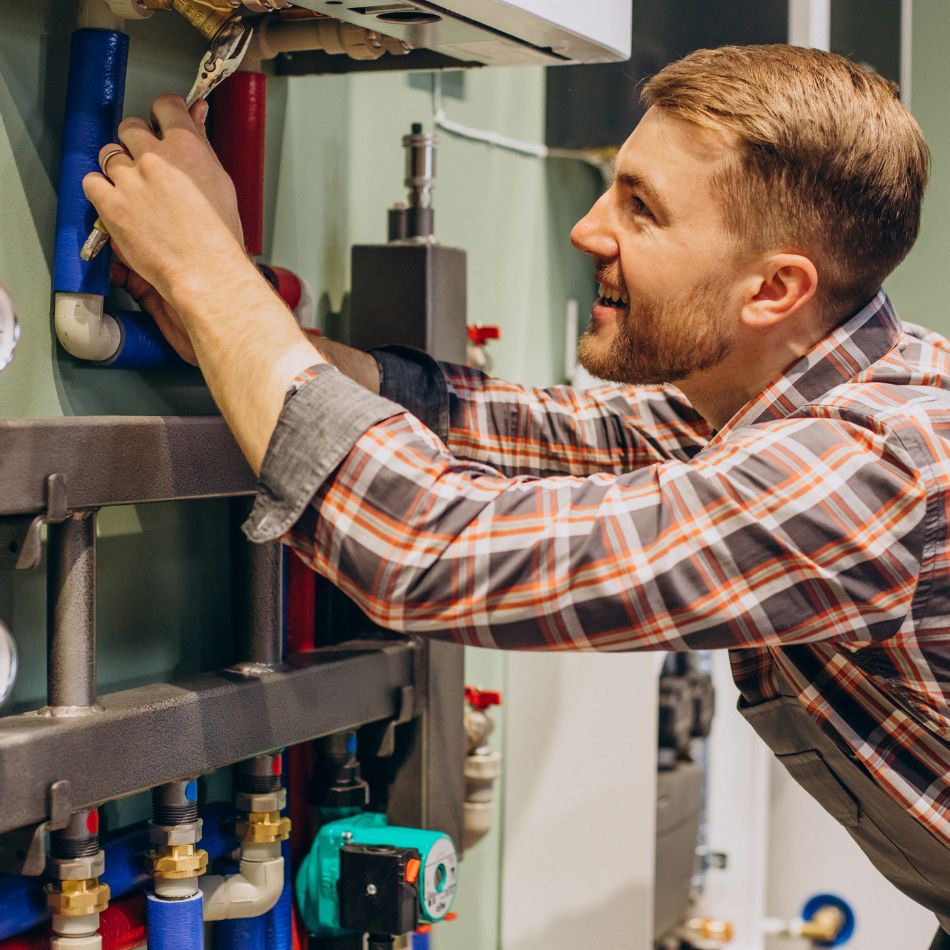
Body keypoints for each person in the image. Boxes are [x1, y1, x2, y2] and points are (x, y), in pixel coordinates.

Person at [84, 44, 949, 943]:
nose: (588, 229)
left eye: (642, 208)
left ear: (774, 288)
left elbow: (429, 548)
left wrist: (208, 273)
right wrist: (243, 330)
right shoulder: (817, 386)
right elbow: (559, 437)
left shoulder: (874, 470)